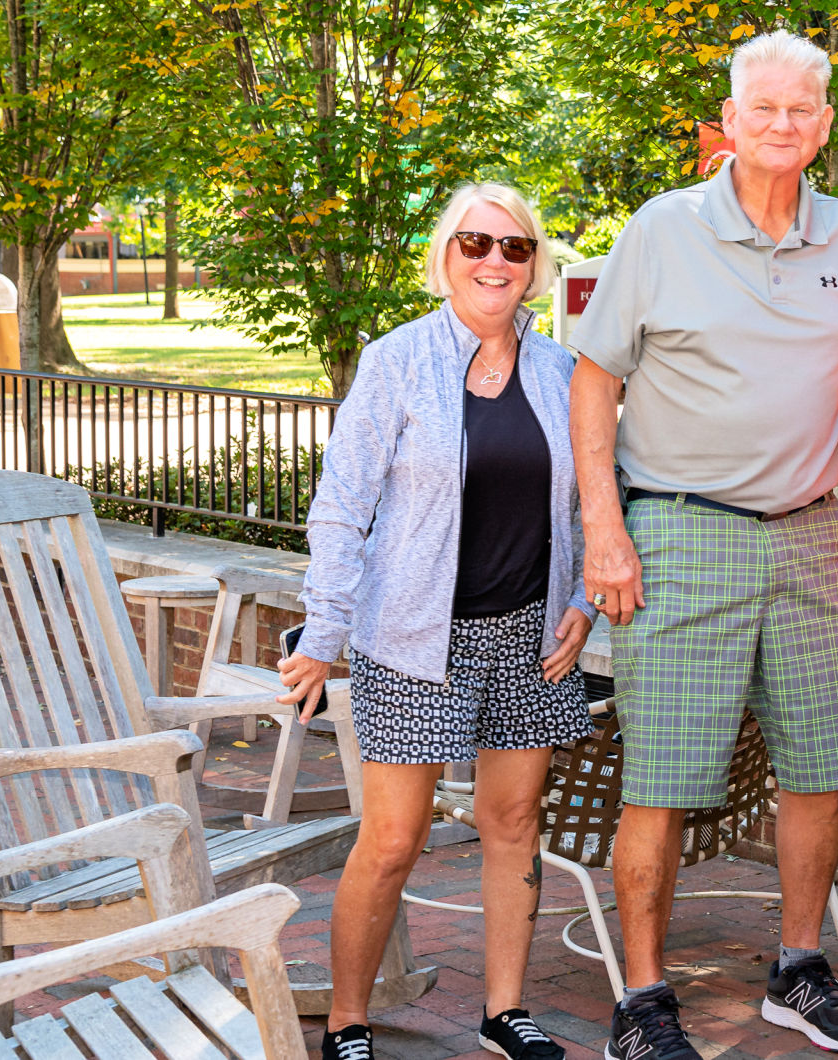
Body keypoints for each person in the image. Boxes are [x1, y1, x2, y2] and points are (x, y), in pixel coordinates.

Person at [566, 29, 838, 1060]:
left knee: (821, 770)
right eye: (760, 108)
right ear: (726, 122)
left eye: (799, 110)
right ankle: (642, 1002)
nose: (779, 125)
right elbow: (594, 383)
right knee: (664, 777)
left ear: (821, 126)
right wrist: (605, 527)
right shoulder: (661, 230)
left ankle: (799, 969)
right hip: (681, 532)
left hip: (817, 537)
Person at [278, 183, 595, 1060]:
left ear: (534, 268)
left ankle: (505, 1010)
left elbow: (596, 505)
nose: (495, 260)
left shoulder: (563, 372)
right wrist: (324, 631)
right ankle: (348, 1019)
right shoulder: (397, 361)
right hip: (416, 637)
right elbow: (341, 505)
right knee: (391, 840)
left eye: (515, 248)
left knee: (513, 823)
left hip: (529, 637)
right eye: (476, 243)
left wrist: (582, 602)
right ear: (445, 257)